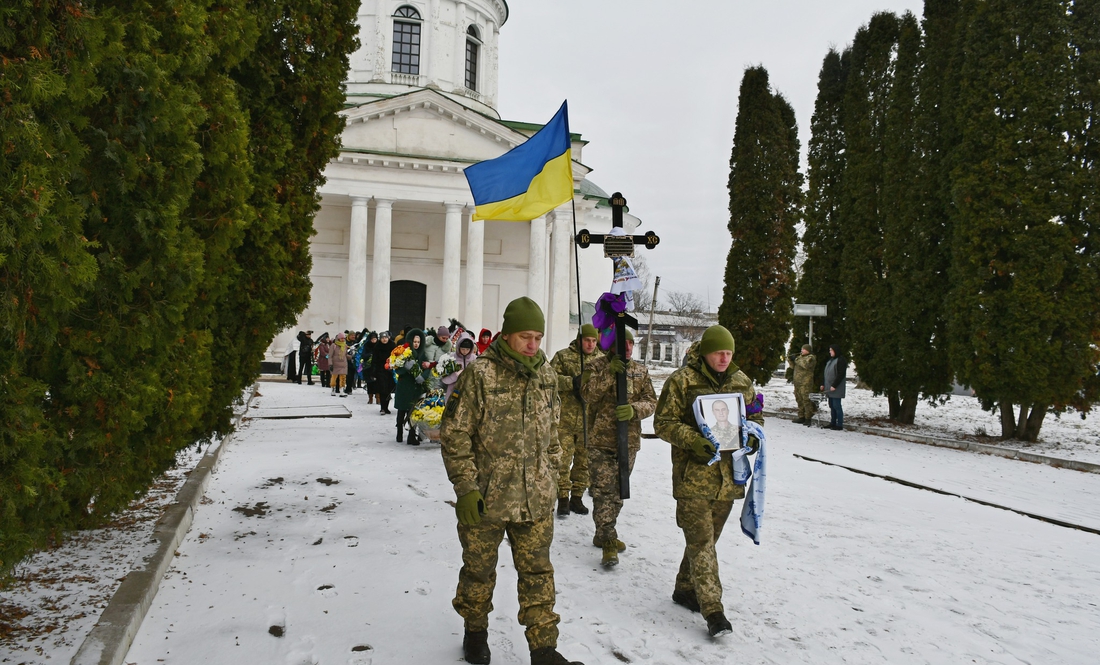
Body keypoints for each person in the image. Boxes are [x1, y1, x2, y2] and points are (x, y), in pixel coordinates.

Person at [440, 297, 585, 665]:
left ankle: (544, 648)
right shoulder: (481, 374)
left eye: (538, 336)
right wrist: (467, 489)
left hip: (534, 498)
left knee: (538, 572)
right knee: (478, 570)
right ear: (507, 334)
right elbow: (455, 435)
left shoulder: (547, 375)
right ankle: (475, 630)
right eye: (525, 336)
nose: (533, 344)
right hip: (486, 498)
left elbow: (553, 436)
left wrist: (551, 478)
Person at [653, 325, 763, 638]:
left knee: (707, 540)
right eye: (719, 352)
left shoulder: (741, 382)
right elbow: (663, 423)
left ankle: (685, 588)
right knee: (702, 541)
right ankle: (714, 610)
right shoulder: (682, 380)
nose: (724, 358)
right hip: (693, 477)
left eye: (729, 352)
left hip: (729, 479)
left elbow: (755, 418)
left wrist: (753, 438)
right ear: (705, 352)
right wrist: (691, 439)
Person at [580, 328, 657, 567]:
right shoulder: (595, 367)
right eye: (622, 344)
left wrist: (635, 410)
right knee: (604, 491)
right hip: (601, 440)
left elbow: (651, 401)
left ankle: (603, 531)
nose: (626, 348)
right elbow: (587, 395)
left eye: (630, 344)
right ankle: (609, 539)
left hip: (629, 441)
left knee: (619, 491)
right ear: (611, 346)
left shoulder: (640, 371)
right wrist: (609, 375)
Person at [549, 324, 599, 518]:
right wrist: (572, 383)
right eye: (587, 340)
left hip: (589, 420)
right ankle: (562, 497)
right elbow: (551, 380)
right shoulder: (563, 356)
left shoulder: (600, 360)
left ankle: (577, 496)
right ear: (579, 340)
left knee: (584, 461)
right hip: (566, 420)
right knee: (563, 459)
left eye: (594, 341)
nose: (590, 344)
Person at [394, 329, 427, 445]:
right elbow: (397, 368)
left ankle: (412, 435)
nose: (416, 344)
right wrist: (406, 368)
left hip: (416, 387)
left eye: (418, 342)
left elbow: (427, 367)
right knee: (402, 410)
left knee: (413, 412)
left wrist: (422, 377)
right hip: (404, 386)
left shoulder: (423, 354)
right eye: (414, 341)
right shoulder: (404, 352)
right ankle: (399, 431)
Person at [441, 331, 477, 400]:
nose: (465, 351)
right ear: (458, 346)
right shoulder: (451, 358)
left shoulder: (474, 359)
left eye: (467, 349)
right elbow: (444, 380)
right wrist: (455, 376)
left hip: (469, 395)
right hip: (453, 394)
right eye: (463, 349)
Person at [789, 344, 817, 426]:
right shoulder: (800, 357)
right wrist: (790, 360)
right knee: (799, 399)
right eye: (802, 349)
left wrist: (796, 359)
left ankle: (808, 417)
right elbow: (793, 366)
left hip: (805, 383)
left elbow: (806, 365)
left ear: (808, 350)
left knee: (806, 400)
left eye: (803, 349)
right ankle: (801, 416)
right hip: (798, 382)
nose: (802, 350)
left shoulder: (811, 358)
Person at [821, 344, 847, 430]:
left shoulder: (840, 360)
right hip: (829, 388)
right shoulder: (830, 361)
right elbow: (826, 374)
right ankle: (833, 422)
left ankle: (839, 424)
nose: (830, 352)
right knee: (831, 405)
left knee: (837, 406)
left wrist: (834, 385)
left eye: (831, 350)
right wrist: (823, 384)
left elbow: (840, 374)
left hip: (836, 388)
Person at [372, 331, 396, 415]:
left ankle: (386, 407)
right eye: (382, 338)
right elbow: (374, 360)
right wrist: (374, 372)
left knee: (388, 390)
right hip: (380, 370)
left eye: (386, 337)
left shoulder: (393, 346)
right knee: (382, 389)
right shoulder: (377, 347)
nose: (384, 339)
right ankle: (382, 407)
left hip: (390, 370)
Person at [363, 331, 379, 403]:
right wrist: (370, 355)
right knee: (370, 383)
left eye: (375, 339)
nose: (374, 340)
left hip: (377, 367)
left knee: (378, 383)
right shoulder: (366, 345)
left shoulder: (379, 345)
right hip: (368, 368)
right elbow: (363, 355)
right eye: (372, 339)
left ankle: (378, 398)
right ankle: (370, 398)